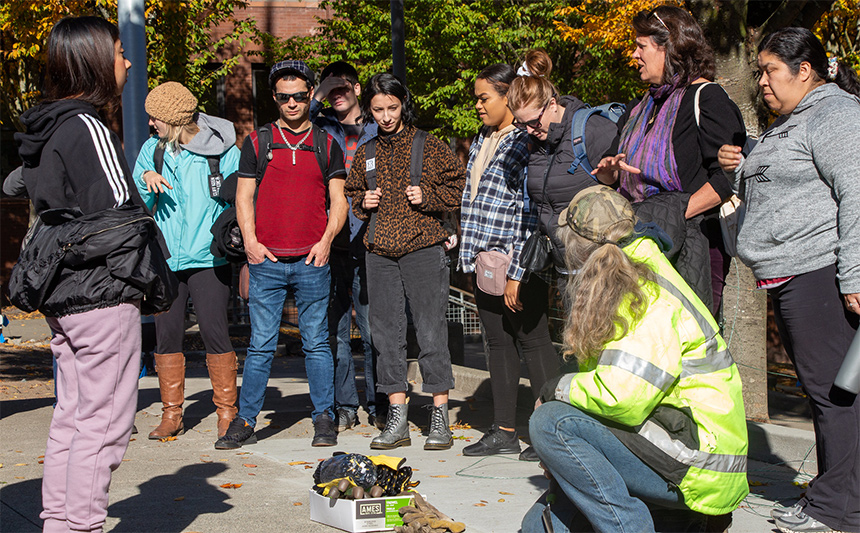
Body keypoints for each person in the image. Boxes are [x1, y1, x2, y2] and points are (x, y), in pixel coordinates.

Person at [13, 16, 175, 533]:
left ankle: (59, 523)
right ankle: (83, 525)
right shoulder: (87, 125)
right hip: (102, 294)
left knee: (72, 418)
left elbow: (32, 191)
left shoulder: (46, 128)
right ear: (92, 59)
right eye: (119, 51)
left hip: (64, 296)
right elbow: (123, 214)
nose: (127, 61)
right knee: (104, 424)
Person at [521, 185, 748, 533]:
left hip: (700, 463)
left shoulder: (644, 291)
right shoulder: (631, 272)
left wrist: (555, 389)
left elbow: (622, 397)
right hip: (677, 442)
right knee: (537, 526)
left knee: (551, 423)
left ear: (582, 249)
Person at [718, 27, 860, 533]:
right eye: (758, 72)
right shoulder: (792, 121)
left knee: (836, 395)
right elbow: (783, 191)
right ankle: (832, 496)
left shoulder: (837, 114)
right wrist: (743, 166)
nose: (761, 82)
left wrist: (855, 275)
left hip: (820, 269)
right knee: (825, 392)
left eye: (769, 70)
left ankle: (840, 510)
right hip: (790, 272)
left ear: (805, 70)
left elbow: (857, 193)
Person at [215, 59, 348, 449]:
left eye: (300, 96)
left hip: (312, 260)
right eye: (284, 97)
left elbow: (339, 201)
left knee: (317, 343)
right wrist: (252, 243)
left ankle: (324, 417)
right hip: (267, 262)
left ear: (310, 96)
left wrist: (325, 241)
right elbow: (243, 198)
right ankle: (245, 420)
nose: (292, 103)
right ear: (274, 98)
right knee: (259, 345)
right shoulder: (256, 142)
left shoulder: (327, 144)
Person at [593, 5, 747, 315]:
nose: (633, 55)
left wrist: (670, 216)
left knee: (686, 343)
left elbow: (726, 179)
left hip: (694, 246)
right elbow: (611, 173)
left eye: (641, 46)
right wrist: (610, 173)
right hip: (638, 243)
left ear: (671, 47)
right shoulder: (639, 108)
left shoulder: (708, 99)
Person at [344, 73, 465, 451]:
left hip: (423, 248)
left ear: (403, 104)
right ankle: (397, 418)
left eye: (392, 108)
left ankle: (439, 417)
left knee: (431, 332)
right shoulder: (367, 152)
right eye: (378, 109)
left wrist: (427, 195)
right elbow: (352, 191)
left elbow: (458, 187)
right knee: (384, 337)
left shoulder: (429, 146)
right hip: (379, 251)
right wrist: (362, 203)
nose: (385, 116)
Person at [458, 63, 559, 461]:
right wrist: (470, 259)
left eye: (485, 98)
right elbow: (476, 203)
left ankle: (549, 432)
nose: (479, 106)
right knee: (497, 343)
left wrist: (518, 273)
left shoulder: (524, 140)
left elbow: (530, 211)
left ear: (507, 96)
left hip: (519, 262)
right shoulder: (484, 138)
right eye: (477, 99)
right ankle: (503, 431)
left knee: (534, 342)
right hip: (485, 261)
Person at [132, 81, 240, 443]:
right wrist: (146, 177)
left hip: (208, 256)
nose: (150, 124)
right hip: (166, 256)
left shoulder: (221, 150)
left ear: (175, 120)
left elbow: (243, 194)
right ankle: (171, 414)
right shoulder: (153, 149)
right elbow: (135, 194)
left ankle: (227, 413)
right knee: (166, 335)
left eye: (156, 118)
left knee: (215, 332)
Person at [310, 61, 386, 432]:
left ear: (357, 88)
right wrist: (321, 90)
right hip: (329, 244)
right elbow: (298, 112)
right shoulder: (320, 128)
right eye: (330, 89)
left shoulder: (376, 125)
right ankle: (344, 405)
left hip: (370, 243)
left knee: (373, 330)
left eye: (342, 87)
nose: (335, 94)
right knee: (335, 331)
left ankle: (378, 403)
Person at [506, 49, 619, 275]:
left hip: (602, 267)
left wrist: (609, 174)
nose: (529, 130)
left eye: (534, 122)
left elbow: (618, 186)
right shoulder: (537, 141)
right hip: (565, 266)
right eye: (521, 124)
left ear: (553, 104)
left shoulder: (592, 129)